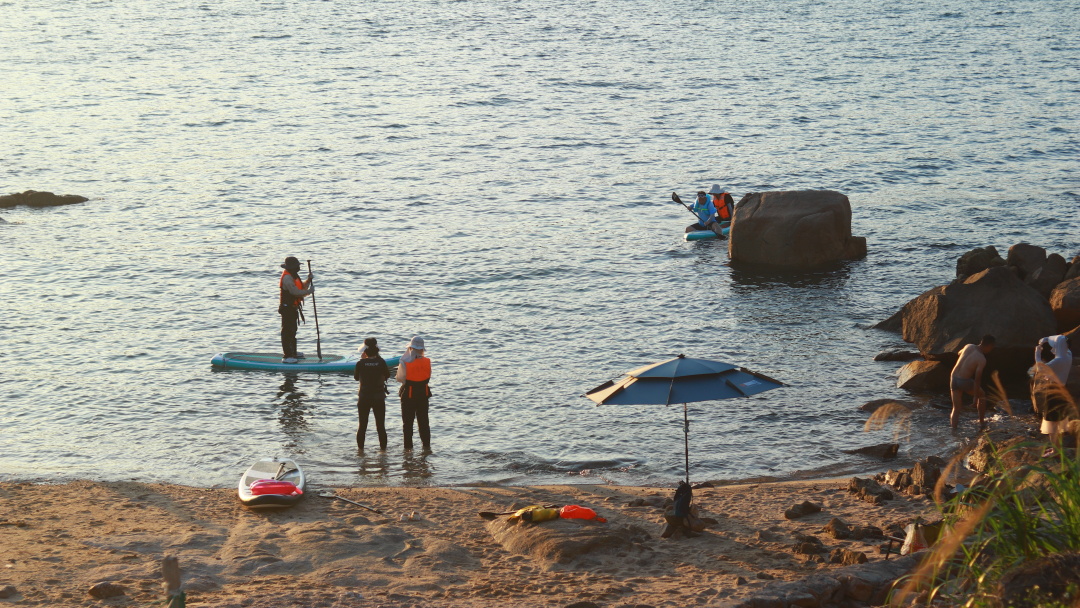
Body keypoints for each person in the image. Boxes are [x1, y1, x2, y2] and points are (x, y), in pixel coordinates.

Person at [1031, 335, 1073, 456]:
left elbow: (1040, 368)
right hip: (1063, 390)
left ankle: (1055, 451)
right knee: (1058, 420)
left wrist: (1037, 354)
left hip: (1053, 392)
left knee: (1051, 421)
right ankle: (1057, 448)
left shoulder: (1058, 360)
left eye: (1055, 345)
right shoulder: (1068, 355)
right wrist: (1046, 339)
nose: (1053, 348)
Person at [949, 335, 995, 429]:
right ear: (989, 346)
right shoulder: (981, 359)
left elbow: (959, 353)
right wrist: (975, 397)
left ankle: (953, 431)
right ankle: (981, 422)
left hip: (953, 378)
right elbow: (977, 379)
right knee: (982, 395)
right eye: (992, 347)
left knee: (956, 408)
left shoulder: (968, 346)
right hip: (964, 381)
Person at [354, 337, 391, 451]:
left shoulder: (360, 363)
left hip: (364, 397)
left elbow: (356, 378)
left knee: (362, 426)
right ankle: (383, 452)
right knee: (380, 426)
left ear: (365, 351)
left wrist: (363, 360)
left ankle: (360, 452)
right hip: (378, 397)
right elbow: (387, 375)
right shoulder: (381, 362)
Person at [396, 336, 432, 452]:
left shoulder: (404, 362)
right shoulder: (427, 361)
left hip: (409, 394)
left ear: (411, 348)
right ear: (422, 349)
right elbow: (428, 376)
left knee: (408, 424)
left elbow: (400, 378)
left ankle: (408, 450)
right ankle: (426, 448)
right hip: (423, 394)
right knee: (424, 422)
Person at [278, 256, 313, 364]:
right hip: (287, 308)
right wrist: (309, 292)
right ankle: (287, 356)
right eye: (297, 266)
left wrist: (308, 281)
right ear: (291, 267)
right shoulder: (287, 278)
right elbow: (295, 292)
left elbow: (301, 288)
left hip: (293, 308)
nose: (298, 268)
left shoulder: (294, 276)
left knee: (293, 330)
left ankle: (293, 352)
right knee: (287, 332)